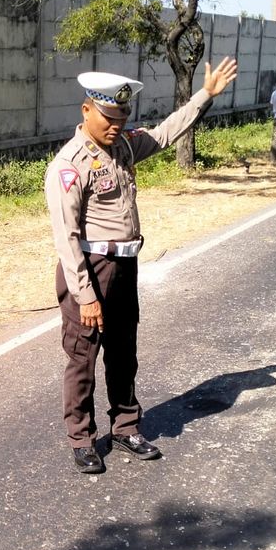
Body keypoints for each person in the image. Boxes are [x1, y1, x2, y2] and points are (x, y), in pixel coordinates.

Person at [46, 58, 239, 474]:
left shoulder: (125, 146)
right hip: (91, 269)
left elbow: (168, 132)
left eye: (122, 117)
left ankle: (125, 427)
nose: (116, 125)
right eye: (108, 117)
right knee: (83, 357)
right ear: (86, 110)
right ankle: (81, 439)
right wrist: (85, 296)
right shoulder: (68, 165)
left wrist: (205, 95)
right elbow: (67, 239)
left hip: (124, 267)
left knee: (123, 352)